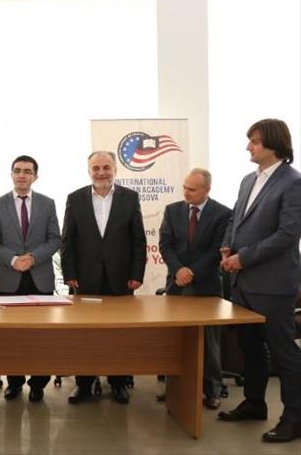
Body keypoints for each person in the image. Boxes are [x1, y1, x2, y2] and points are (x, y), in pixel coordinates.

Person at [217, 118, 301, 443]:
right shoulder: (247, 180)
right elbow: (235, 219)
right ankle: (254, 403)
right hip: (243, 282)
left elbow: (288, 234)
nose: (248, 147)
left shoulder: (292, 182)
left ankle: (294, 419)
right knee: (250, 347)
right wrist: (227, 246)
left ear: (274, 143)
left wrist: (244, 257)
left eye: (254, 141)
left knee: (283, 352)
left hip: (273, 284)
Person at [61, 150, 147, 405]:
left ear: (115, 170)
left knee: (119, 334)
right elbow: (68, 240)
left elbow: (138, 239)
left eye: (106, 167)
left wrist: (137, 274)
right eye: (96, 168)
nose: (101, 172)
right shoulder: (75, 198)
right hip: (85, 279)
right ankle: (84, 384)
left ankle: (118, 383)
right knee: (84, 334)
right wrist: (69, 273)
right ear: (89, 171)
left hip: (120, 278)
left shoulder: (129, 198)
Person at [0, 155, 61, 402]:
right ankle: (14, 383)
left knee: (42, 336)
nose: (22, 175)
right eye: (17, 170)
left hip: (41, 278)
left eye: (27, 171)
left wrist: (33, 257)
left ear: (35, 176)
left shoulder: (48, 204)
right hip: (10, 279)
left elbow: (55, 239)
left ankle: (38, 384)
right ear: (11, 174)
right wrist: (13, 260)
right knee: (12, 336)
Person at [158, 168, 231, 410]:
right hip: (176, 285)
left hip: (206, 286)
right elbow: (165, 244)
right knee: (175, 339)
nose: (186, 193)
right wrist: (179, 270)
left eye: (192, 189)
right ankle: (175, 388)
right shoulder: (172, 210)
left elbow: (217, 250)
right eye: (184, 187)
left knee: (208, 342)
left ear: (207, 190)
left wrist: (192, 272)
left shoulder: (223, 214)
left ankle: (212, 390)